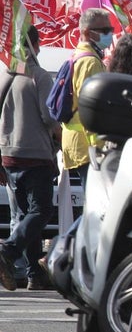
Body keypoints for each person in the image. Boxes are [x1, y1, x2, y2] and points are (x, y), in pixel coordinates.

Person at [0, 28, 59, 291]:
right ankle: (9, 251)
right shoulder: (39, 77)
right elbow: (50, 118)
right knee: (40, 211)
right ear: (35, 44)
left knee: (26, 213)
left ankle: (35, 272)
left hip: (9, 155)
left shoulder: (5, 76)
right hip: (35, 154)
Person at [62, 8, 112, 189]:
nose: (110, 34)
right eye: (104, 31)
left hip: (81, 143)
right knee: (95, 209)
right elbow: (91, 108)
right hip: (87, 146)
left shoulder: (79, 56)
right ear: (85, 32)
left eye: (110, 30)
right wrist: (98, 148)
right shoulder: (90, 62)